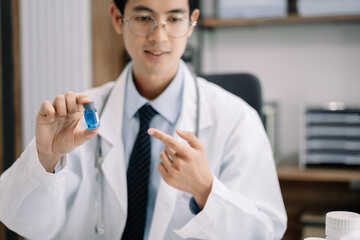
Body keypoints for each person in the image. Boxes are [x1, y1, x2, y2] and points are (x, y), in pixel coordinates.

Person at [0, 0, 287, 239]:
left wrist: (205, 191)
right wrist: (45, 160)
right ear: (117, 18)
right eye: (142, 17)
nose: (158, 36)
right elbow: (23, 221)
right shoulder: (76, 116)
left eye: (174, 19)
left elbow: (266, 232)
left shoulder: (237, 120)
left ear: (191, 22)